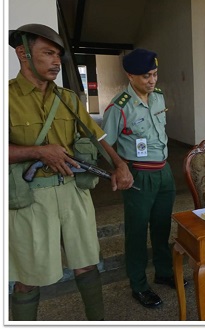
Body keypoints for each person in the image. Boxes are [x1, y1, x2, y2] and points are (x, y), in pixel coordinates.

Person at [8, 23, 134, 321]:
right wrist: (39, 151)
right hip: (30, 199)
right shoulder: (7, 97)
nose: (55, 62)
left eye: (58, 55)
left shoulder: (66, 97)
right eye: (47, 53)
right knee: (29, 274)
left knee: (87, 263)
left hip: (72, 189)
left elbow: (97, 136)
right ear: (23, 53)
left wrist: (119, 164)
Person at [101, 48, 185, 309]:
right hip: (139, 175)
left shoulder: (158, 98)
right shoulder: (119, 107)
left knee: (161, 226)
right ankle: (138, 284)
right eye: (147, 75)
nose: (153, 80)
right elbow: (104, 143)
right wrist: (120, 167)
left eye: (155, 74)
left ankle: (163, 272)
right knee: (137, 233)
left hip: (164, 172)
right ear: (130, 75)